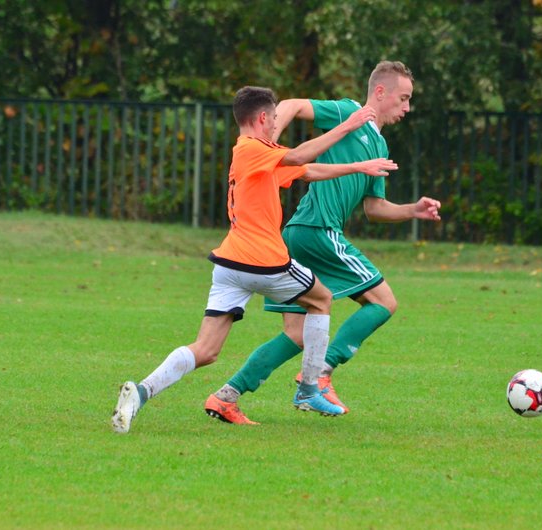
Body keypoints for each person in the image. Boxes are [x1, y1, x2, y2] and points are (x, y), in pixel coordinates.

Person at [112, 86, 397, 432]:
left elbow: (307, 170)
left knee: (206, 350)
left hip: (229, 264)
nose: (277, 123)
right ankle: (309, 389)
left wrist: (358, 166)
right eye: (274, 118)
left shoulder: (261, 155)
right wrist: (348, 125)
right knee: (321, 300)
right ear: (263, 118)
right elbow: (298, 156)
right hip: (263, 260)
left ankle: (140, 393)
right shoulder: (251, 148)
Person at [209, 61, 441, 419]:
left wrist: (413, 210)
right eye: (404, 98)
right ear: (380, 92)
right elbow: (292, 105)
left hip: (297, 233)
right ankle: (321, 372)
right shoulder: (348, 112)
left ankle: (227, 395)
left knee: (298, 334)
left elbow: (375, 209)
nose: (407, 108)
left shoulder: (379, 145)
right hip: (319, 230)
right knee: (383, 301)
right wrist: (268, 143)